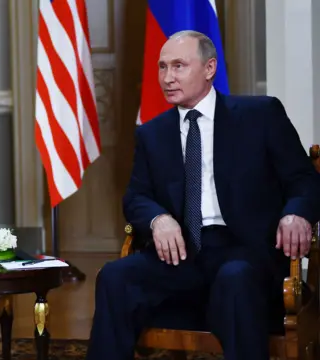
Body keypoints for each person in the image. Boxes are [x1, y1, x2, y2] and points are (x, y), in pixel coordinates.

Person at [86, 30, 320, 360]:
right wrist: (158, 219)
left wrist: (296, 213)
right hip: (182, 253)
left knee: (235, 278)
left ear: (209, 69)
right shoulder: (152, 134)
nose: (167, 78)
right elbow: (136, 197)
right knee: (115, 276)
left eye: (179, 66)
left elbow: (304, 179)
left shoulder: (260, 115)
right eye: (162, 67)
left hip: (246, 252)